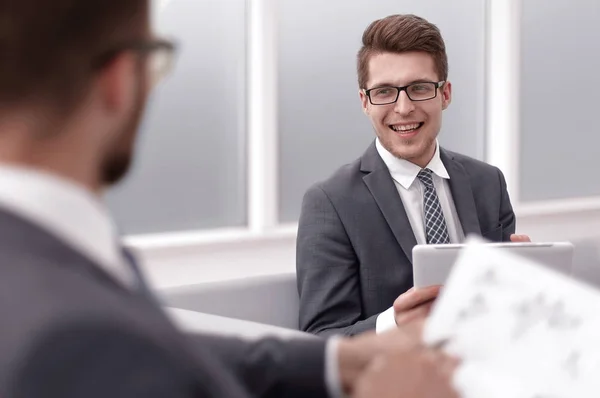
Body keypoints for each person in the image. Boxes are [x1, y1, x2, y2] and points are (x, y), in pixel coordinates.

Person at [0, 2, 459, 398]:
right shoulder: (65, 336)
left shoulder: (43, 261)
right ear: (121, 79)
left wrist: (344, 361)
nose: (403, 106)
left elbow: (170, 350)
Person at [297, 14, 530, 337]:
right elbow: (321, 338)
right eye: (384, 92)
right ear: (365, 102)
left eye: (419, 88)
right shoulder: (330, 203)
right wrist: (394, 323)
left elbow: (503, 309)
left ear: (445, 94)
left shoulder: (488, 182)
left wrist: (526, 287)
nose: (403, 108)